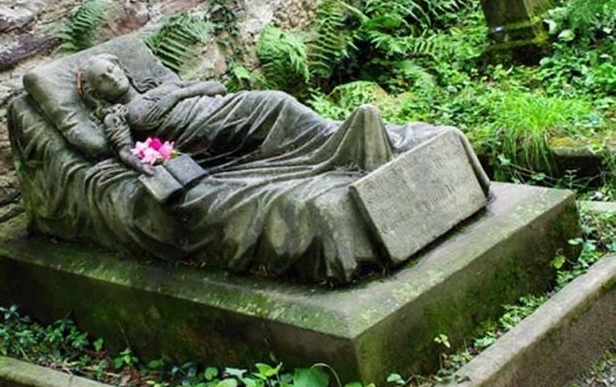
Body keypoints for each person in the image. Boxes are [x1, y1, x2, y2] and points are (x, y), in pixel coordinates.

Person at [75, 53, 489, 284]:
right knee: (285, 117)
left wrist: (178, 92)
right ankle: (353, 144)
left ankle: (353, 139)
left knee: (279, 103)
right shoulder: (117, 117)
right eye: (102, 77)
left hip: (233, 108)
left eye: (112, 67)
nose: (112, 75)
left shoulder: (161, 87)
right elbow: (124, 152)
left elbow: (216, 87)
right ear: (96, 90)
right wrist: (152, 161)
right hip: (217, 139)